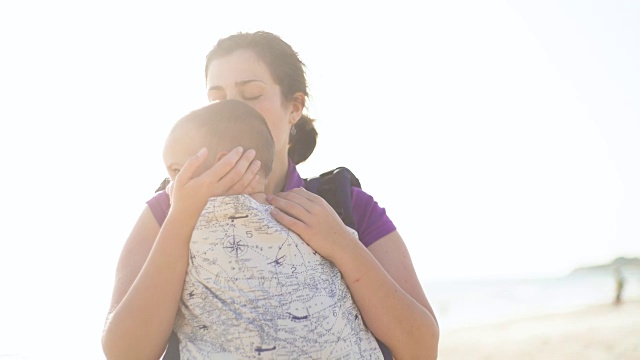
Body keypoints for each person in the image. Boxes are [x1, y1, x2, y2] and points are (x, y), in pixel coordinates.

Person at [102, 31, 439, 360]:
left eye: (251, 94)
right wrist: (180, 221)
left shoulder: (345, 206)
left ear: (294, 108)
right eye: (217, 98)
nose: (232, 108)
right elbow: (126, 353)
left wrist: (341, 243)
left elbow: (421, 349)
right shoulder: (167, 209)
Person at [164, 99, 384, 358]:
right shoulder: (318, 219)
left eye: (177, 171)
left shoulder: (189, 229)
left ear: (230, 164)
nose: (171, 187)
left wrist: (177, 220)